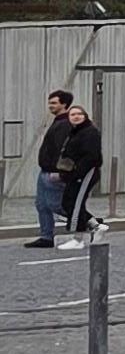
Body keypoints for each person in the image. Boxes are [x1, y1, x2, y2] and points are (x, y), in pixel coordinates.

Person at [28, 90, 74, 250]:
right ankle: (46, 236)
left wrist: (60, 172)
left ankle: (86, 221)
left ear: (64, 104)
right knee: (42, 204)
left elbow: (63, 149)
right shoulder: (58, 121)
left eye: (54, 103)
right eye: (50, 103)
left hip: (54, 172)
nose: (50, 106)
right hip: (45, 171)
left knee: (55, 205)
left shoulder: (66, 124)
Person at [55, 94, 102, 247]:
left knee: (75, 203)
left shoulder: (90, 132)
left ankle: (78, 239)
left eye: (79, 114)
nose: (75, 117)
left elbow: (92, 156)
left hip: (85, 173)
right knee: (68, 202)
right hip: (74, 174)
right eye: (72, 114)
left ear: (85, 116)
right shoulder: (74, 132)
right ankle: (96, 226)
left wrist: (78, 173)